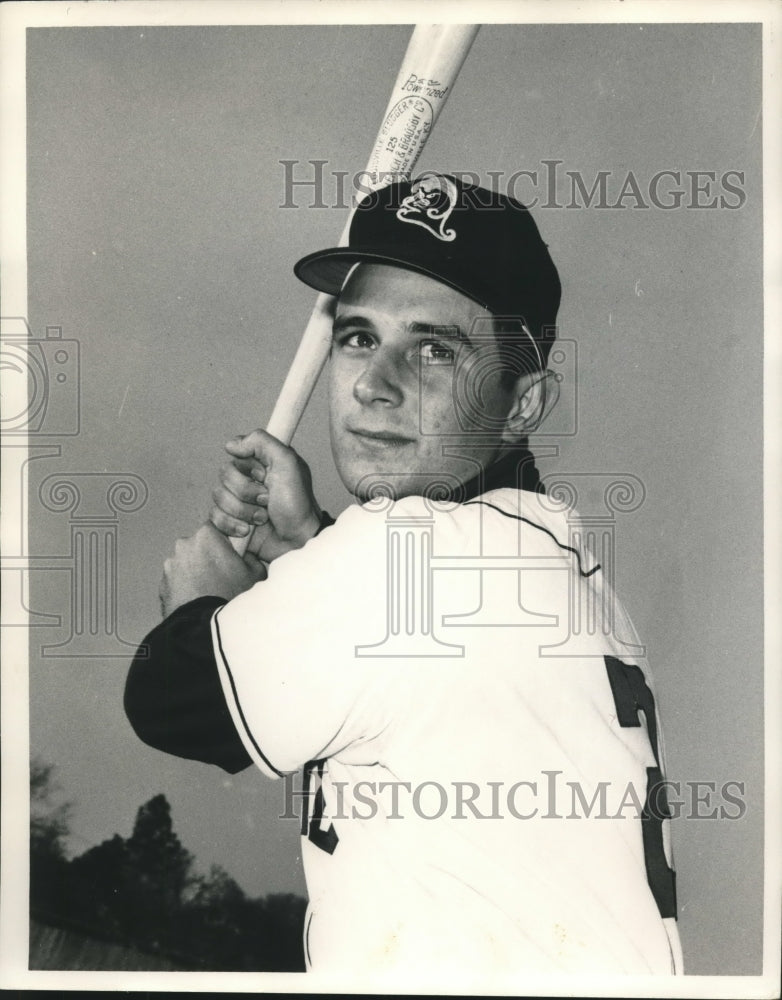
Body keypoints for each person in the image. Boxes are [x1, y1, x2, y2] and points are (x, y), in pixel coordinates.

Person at [124, 174, 683, 977]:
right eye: (357, 337)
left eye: (433, 350)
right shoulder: (562, 565)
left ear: (523, 403)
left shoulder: (403, 558)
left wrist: (204, 598)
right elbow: (408, 653)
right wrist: (312, 546)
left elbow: (176, 701)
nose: (373, 385)